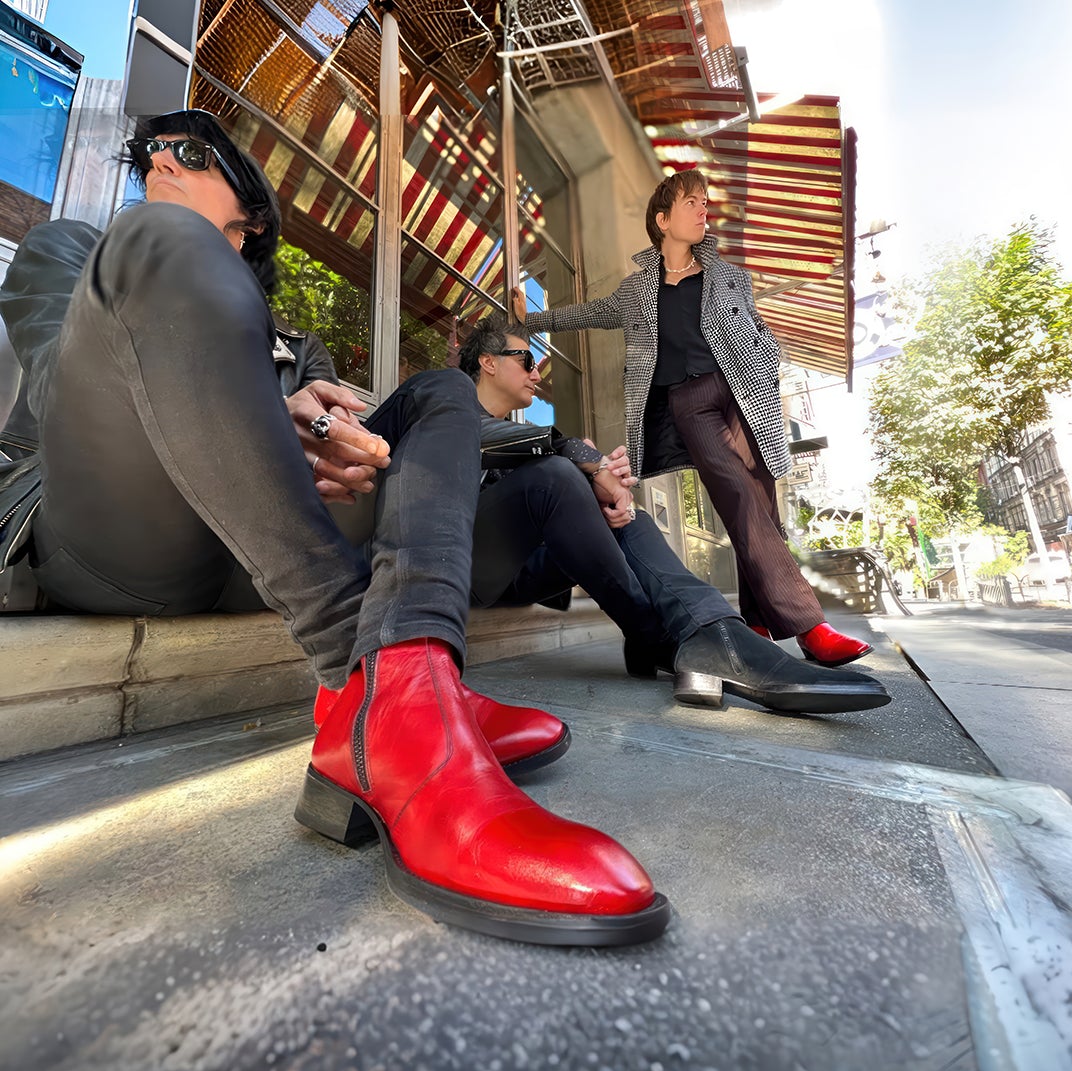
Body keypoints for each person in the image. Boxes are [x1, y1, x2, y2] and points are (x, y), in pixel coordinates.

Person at [0, 109, 666, 947]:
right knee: (158, 242)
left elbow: (345, 439)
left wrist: (335, 439)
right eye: (150, 153)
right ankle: (376, 698)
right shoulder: (83, 251)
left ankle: (412, 671)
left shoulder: (296, 342)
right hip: (113, 524)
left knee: (440, 394)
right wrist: (282, 416)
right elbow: (69, 390)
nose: (160, 161)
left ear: (247, 221)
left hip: (255, 544)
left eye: (191, 153)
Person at [512, 169, 872, 667]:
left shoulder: (729, 276)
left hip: (746, 394)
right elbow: (588, 313)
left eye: (706, 201)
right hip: (689, 402)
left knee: (761, 508)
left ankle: (758, 618)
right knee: (741, 497)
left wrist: (768, 364)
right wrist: (529, 319)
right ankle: (810, 627)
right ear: (663, 220)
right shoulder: (638, 289)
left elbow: (757, 328)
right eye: (692, 202)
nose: (704, 208)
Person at [455, 316, 889, 713]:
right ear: (488, 363)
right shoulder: (448, 407)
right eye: (526, 360)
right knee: (559, 470)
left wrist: (597, 499)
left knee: (631, 518)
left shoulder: (524, 440)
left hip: (524, 566)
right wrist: (584, 460)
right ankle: (673, 639)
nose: (537, 372)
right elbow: (496, 453)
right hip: (467, 563)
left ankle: (716, 634)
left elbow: (540, 508)